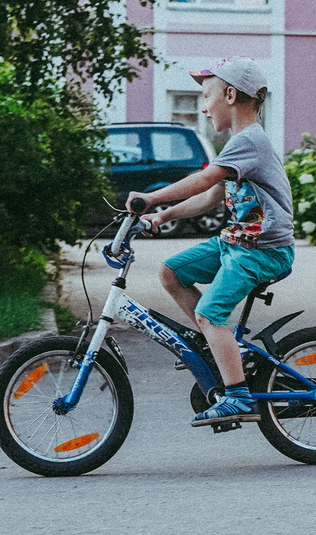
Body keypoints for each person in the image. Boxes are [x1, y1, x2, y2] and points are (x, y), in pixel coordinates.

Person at [124, 57, 296, 428]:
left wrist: (151, 198)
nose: (203, 106)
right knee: (171, 272)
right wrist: (164, 215)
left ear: (231, 95)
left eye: (207, 96)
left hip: (262, 251)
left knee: (209, 313)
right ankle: (217, 345)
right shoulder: (240, 144)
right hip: (237, 243)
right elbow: (212, 195)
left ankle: (237, 396)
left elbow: (203, 181)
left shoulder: (249, 140)